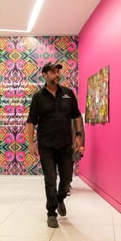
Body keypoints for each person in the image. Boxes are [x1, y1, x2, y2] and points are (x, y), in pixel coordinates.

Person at [26, 62, 84, 228]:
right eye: (53, 72)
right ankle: (51, 213)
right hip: (46, 145)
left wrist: (79, 135)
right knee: (50, 179)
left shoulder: (68, 93)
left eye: (58, 71)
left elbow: (76, 116)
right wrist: (30, 142)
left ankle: (59, 199)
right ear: (45, 75)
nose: (57, 74)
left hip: (65, 145)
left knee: (66, 179)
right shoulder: (38, 97)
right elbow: (31, 121)